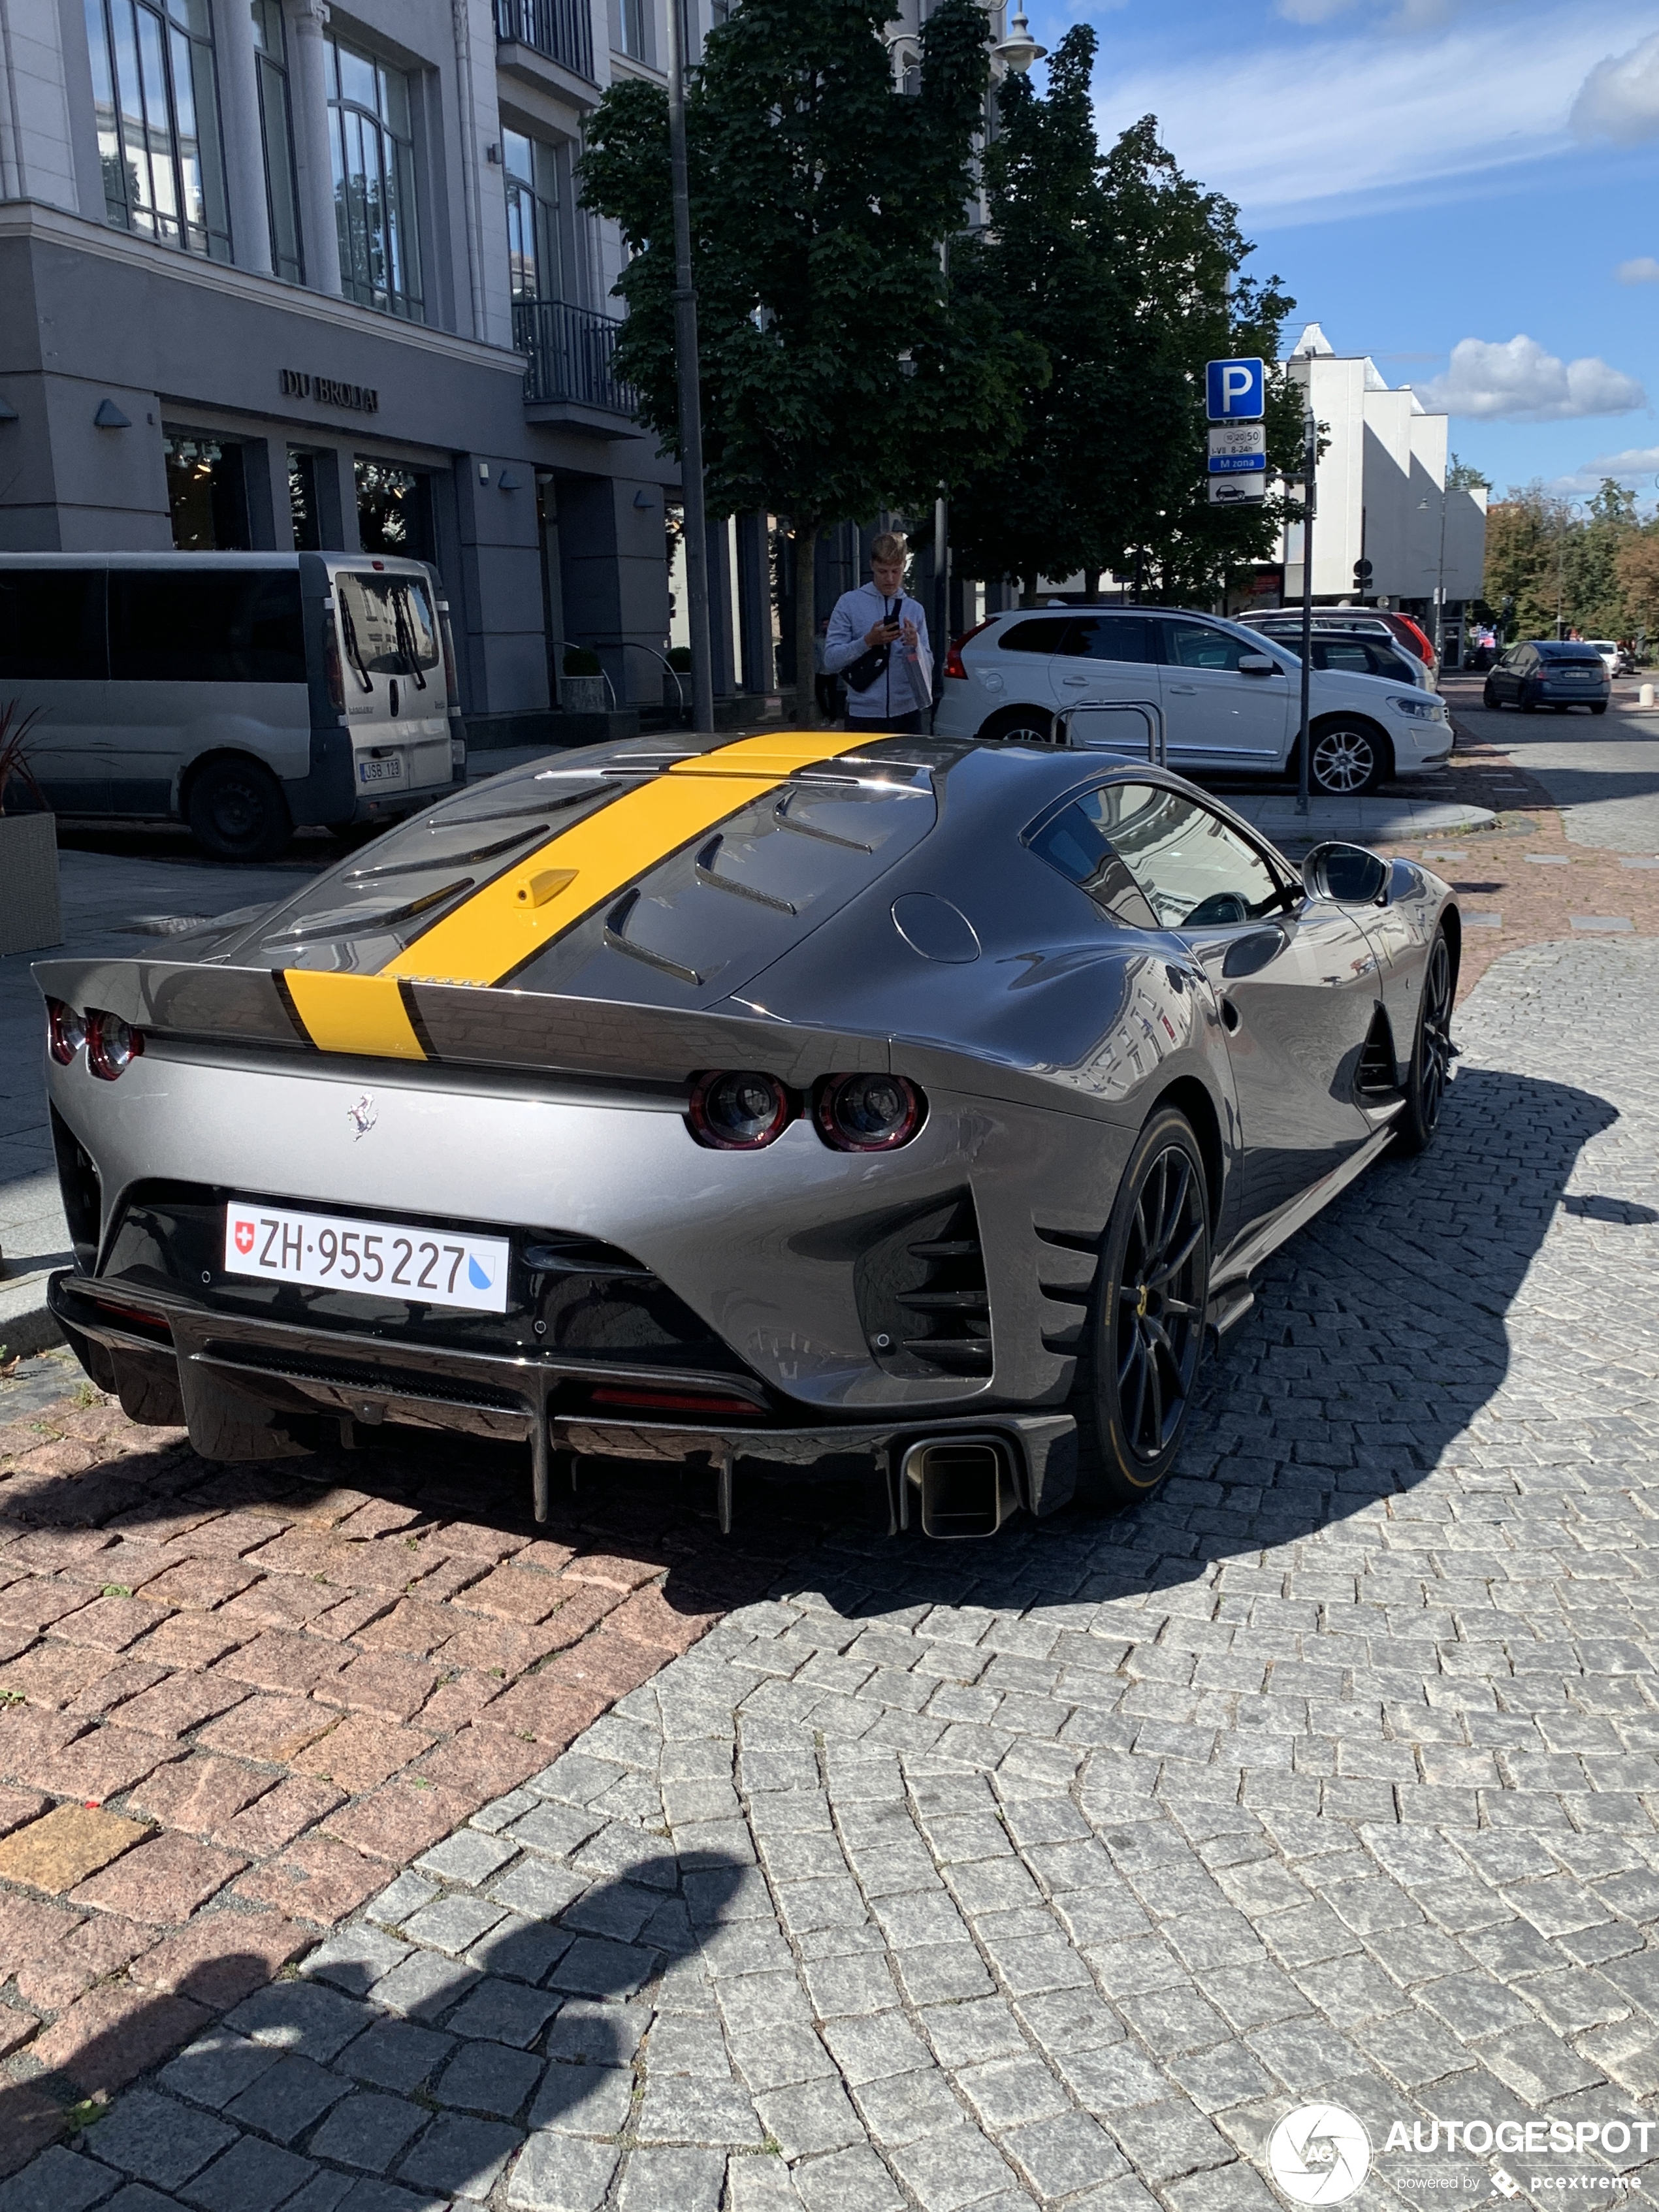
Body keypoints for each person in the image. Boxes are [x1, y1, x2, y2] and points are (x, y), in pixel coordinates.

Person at [822, 531, 933, 733]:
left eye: (896, 571)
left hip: (907, 713)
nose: (890, 579)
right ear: (872, 565)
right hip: (863, 715)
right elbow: (830, 660)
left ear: (903, 567)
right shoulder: (849, 603)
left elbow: (929, 664)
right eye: (883, 571)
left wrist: (915, 644)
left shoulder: (914, 609)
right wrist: (867, 641)